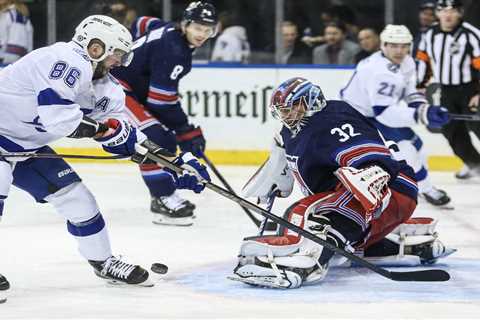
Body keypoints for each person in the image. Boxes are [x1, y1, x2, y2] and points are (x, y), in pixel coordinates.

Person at [0, 15, 210, 289]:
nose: (120, 63)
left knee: (78, 201)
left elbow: (127, 134)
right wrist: (105, 131)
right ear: (96, 48)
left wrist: (173, 163)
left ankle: (104, 262)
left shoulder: (107, 88)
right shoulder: (63, 60)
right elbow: (60, 120)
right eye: (117, 55)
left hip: (27, 147)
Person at [229, 77, 453, 289]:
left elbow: (369, 158)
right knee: (297, 220)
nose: (286, 115)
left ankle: (308, 264)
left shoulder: (331, 118)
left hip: (392, 187)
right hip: (364, 195)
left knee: (311, 213)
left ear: (308, 102)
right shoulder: (290, 132)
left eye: (291, 108)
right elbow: (281, 166)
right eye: (282, 111)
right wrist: (274, 180)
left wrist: (373, 176)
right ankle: (404, 245)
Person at [111, 1, 218, 226]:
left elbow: (141, 23)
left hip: (129, 89)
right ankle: (162, 198)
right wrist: (185, 131)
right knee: (156, 139)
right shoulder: (176, 51)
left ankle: (164, 194)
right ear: (186, 24)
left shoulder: (165, 27)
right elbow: (160, 102)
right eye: (198, 28)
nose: (203, 34)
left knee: (163, 138)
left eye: (208, 30)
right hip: (115, 89)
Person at [340, 25, 452, 208]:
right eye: (393, 45)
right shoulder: (380, 71)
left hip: (372, 113)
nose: (399, 50)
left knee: (417, 144)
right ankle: (425, 189)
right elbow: (384, 113)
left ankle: (420, 186)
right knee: (406, 149)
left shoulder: (406, 61)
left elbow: (410, 90)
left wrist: (422, 107)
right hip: (357, 116)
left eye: (403, 45)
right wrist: (422, 115)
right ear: (383, 45)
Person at [416, 0, 480, 179]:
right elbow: (423, 60)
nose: (448, 14)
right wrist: (420, 86)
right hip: (446, 90)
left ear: (460, 13)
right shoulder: (430, 34)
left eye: (452, 10)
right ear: (437, 14)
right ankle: (474, 164)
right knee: (450, 129)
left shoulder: (471, 34)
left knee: (478, 126)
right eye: (443, 10)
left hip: (470, 90)